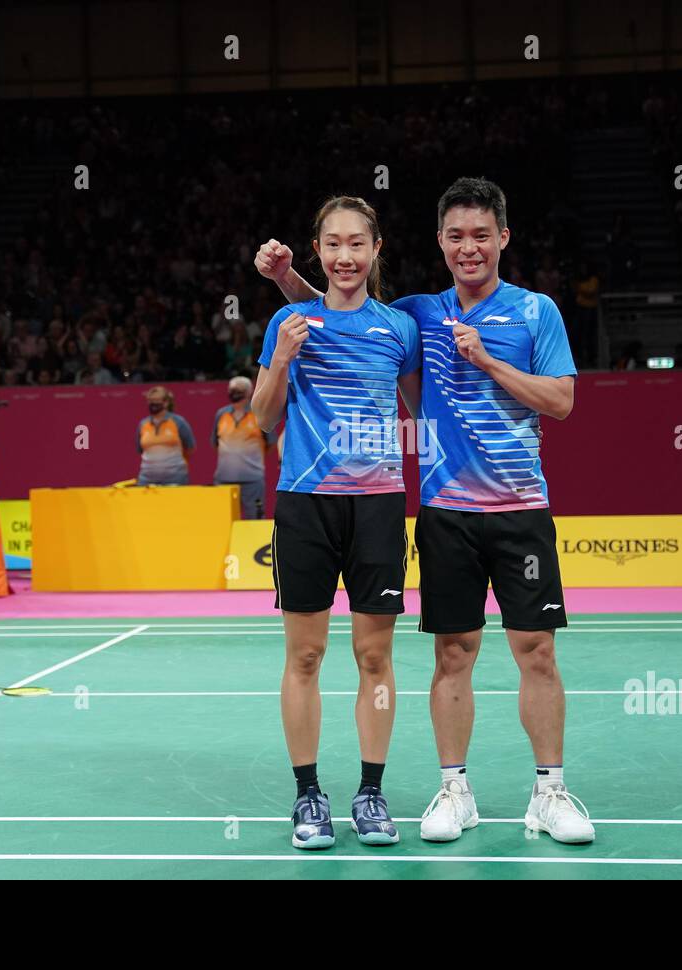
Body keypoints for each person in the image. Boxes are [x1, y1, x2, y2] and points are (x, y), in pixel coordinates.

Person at [256, 177, 594, 844]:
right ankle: (449, 789)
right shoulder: (419, 313)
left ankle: (548, 792)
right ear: (439, 242)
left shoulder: (530, 313)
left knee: (536, 653)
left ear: (502, 237)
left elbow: (560, 402)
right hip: (439, 510)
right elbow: (334, 313)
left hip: (515, 505)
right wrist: (286, 278)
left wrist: (487, 361)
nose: (469, 247)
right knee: (451, 654)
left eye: (481, 235)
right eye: (456, 236)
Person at [250, 196, 421, 850]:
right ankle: (308, 795)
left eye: (357, 244)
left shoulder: (397, 328)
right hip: (305, 503)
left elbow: (423, 408)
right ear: (317, 252)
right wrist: (286, 357)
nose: (345, 256)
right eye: (333, 245)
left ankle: (372, 792)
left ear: (376, 251)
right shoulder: (289, 319)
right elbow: (264, 419)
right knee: (307, 655)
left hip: (377, 505)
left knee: (374, 656)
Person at [211, 376, 273, 519]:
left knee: (255, 520)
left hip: (252, 479)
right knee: (223, 520)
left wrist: (252, 460)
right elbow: (215, 443)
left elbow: (270, 443)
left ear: (249, 392)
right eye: (232, 390)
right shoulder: (221, 414)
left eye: (239, 390)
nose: (234, 393)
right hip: (223, 479)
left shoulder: (258, 413)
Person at [135, 386, 194, 485]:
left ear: (166, 403)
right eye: (150, 401)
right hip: (146, 479)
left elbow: (190, 447)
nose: (153, 404)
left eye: (156, 400)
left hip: (176, 479)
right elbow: (140, 450)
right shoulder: (143, 424)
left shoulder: (179, 422)